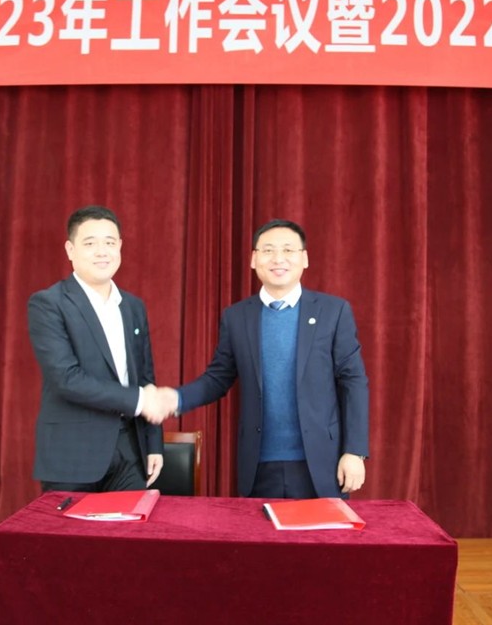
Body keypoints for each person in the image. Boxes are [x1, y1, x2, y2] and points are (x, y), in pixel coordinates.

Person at [151, 219, 369, 499]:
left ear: (304, 259)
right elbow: (218, 378)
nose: (278, 258)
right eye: (268, 250)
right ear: (254, 260)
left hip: (322, 463)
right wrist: (176, 399)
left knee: (323, 530)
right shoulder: (237, 316)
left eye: (288, 250)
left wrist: (355, 451)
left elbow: (353, 381)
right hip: (259, 465)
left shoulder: (333, 311)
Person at [27, 206, 176, 493]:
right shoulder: (48, 303)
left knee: (132, 523)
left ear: (119, 246)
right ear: (70, 250)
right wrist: (139, 400)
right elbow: (66, 378)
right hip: (72, 453)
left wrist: (153, 443)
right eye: (90, 243)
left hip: (130, 451)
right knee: (71, 525)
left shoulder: (133, 306)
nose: (102, 252)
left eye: (109, 242)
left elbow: (145, 377)